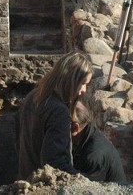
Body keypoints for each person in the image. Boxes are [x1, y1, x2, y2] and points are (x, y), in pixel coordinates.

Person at [15, 52, 93, 180]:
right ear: (71, 80)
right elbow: (55, 163)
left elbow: (17, 139)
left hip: (26, 176)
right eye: (83, 83)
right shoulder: (59, 112)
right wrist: (81, 180)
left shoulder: (33, 96)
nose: (84, 90)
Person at [71, 101, 127, 184]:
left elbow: (85, 189)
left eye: (61, 125)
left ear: (76, 128)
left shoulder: (93, 156)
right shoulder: (87, 133)